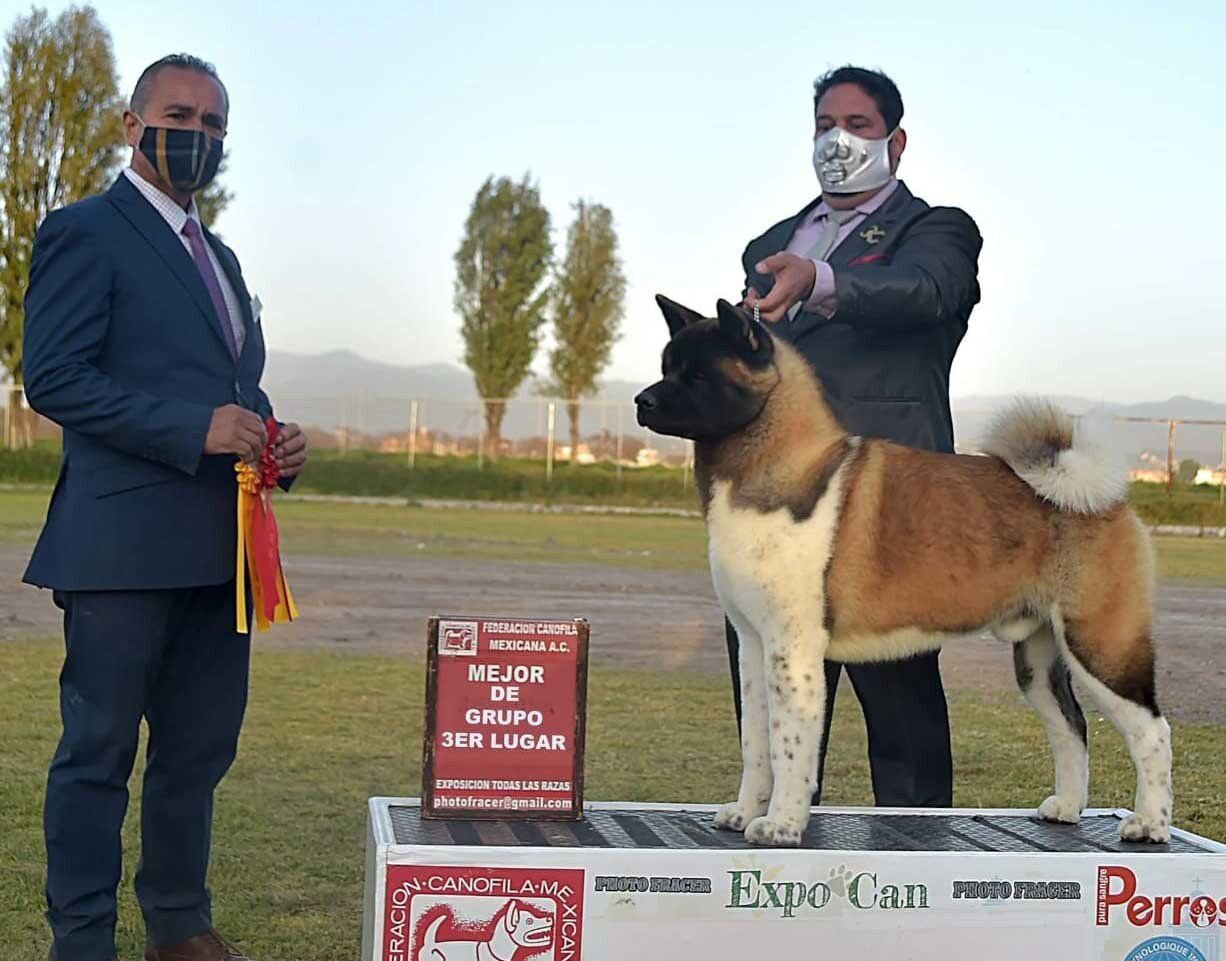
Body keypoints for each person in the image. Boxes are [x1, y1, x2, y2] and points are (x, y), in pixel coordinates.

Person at [22, 53, 306, 961]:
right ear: (132, 124)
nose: (200, 135)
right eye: (181, 114)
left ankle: (180, 925)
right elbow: (54, 377)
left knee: (196, 757)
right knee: (96, 758)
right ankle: (82, 940)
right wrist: (195, 427)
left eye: (216, 125)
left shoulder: (220, 257)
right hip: (119, 547)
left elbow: (233, 389)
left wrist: (270, 439)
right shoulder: (85, 231)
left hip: (220, 555)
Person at [732, 64, 983, 809]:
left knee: (902, 708)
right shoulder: (769, 241)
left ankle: (919, 860)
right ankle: (774, 848)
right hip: (777, 504)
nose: (837, 140)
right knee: (775, 689)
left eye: (858, 125)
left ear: (896, 141)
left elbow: (927, 292)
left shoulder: (938, 231)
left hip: (890, 505)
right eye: (823, 126)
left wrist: (820, 280)